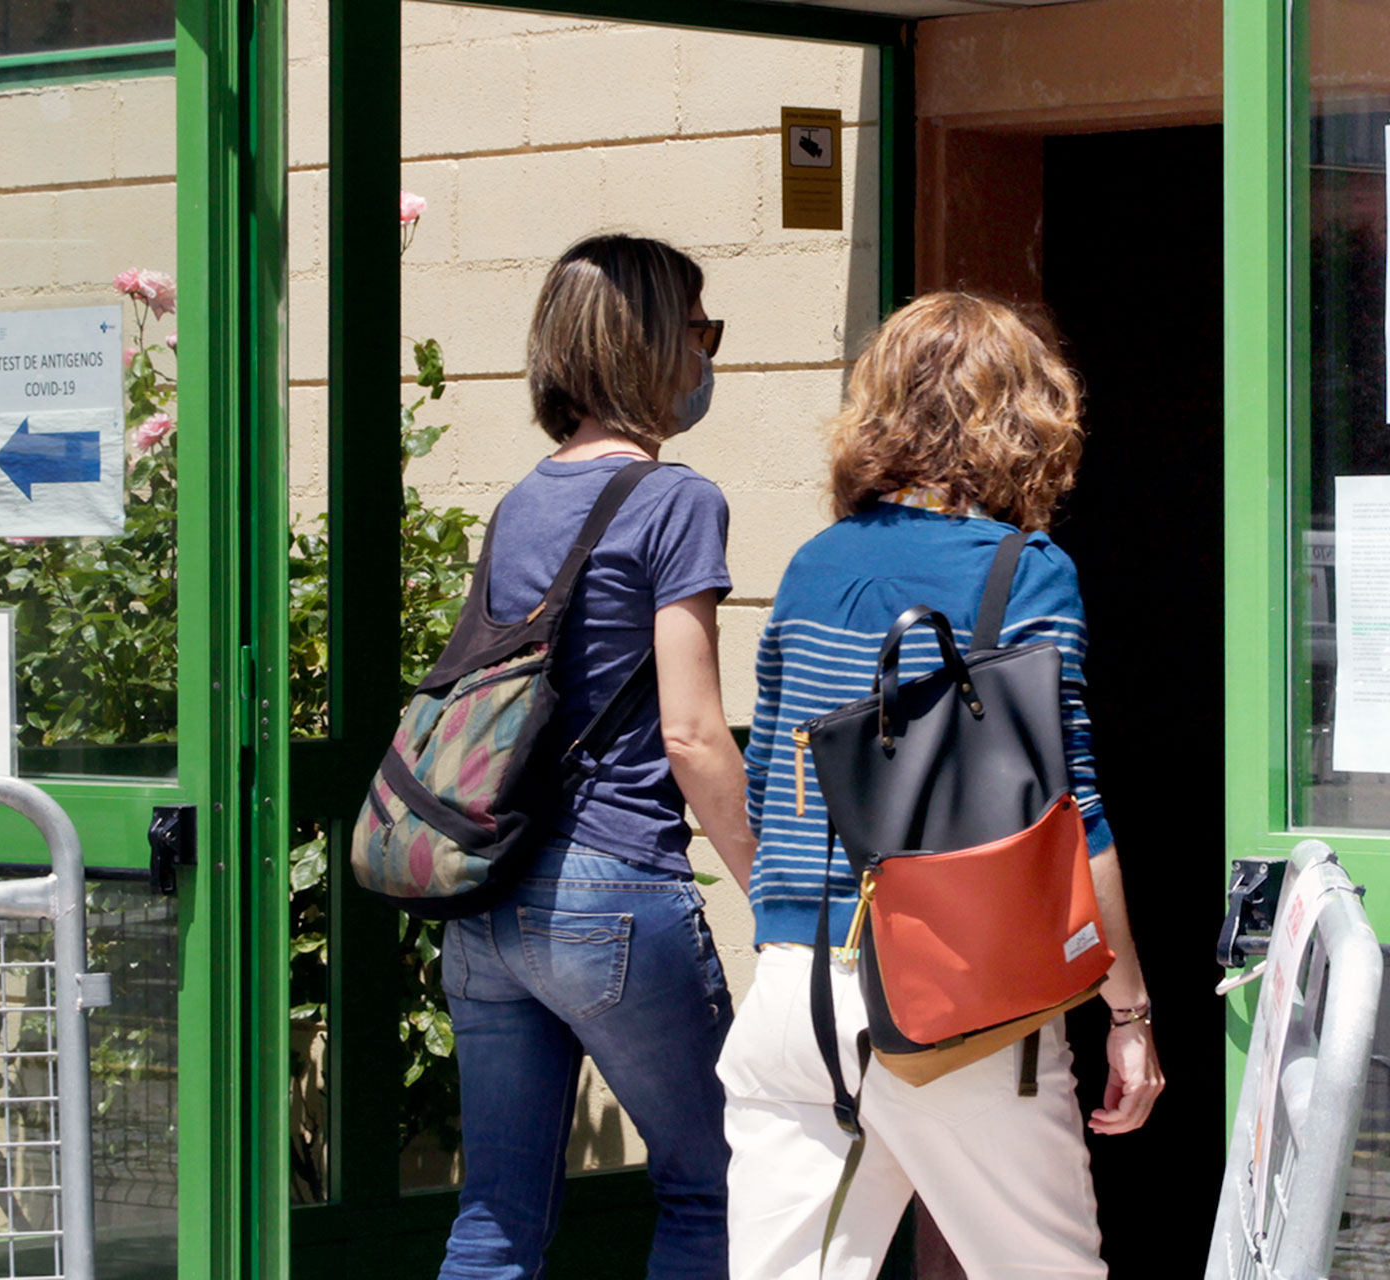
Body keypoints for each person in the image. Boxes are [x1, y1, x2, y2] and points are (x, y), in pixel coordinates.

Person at [720, 292, 1164, 1279]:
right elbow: (1073, 813)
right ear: (1025, 417)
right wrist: (1125, 1012)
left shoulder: (810, 563)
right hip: (957, 999)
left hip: (794, 998)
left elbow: (770, 783)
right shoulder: (1026, 570)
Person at [437, 233, 758, 1280]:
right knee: (716, 1184)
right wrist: (777, 886)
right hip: (612, 889)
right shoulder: (676, 500)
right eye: (701, 331)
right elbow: (693, 730)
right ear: (655, 347)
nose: (709, 355)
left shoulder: (522, 499)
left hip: (488, 899)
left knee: (496, 1211)